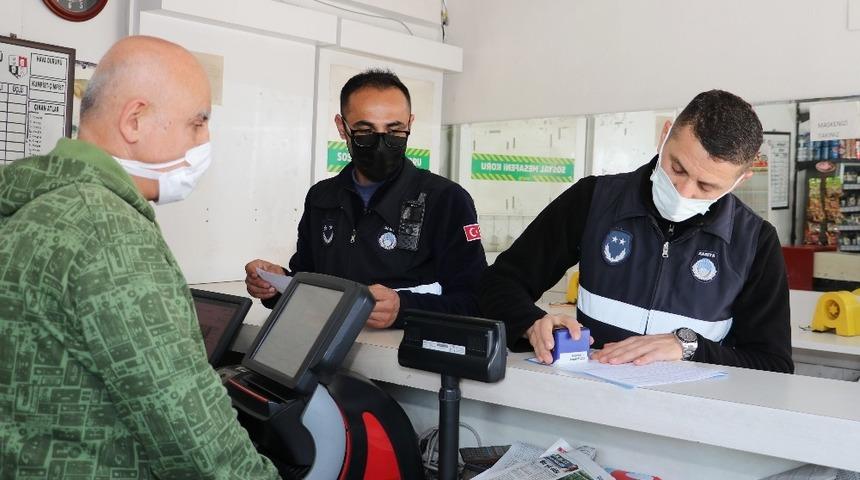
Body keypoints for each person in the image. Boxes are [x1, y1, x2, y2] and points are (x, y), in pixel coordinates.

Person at [0, 36, 280, 479]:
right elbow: (188, 428)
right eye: (197, 122)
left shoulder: (35, 205)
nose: (205, 140)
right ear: (135, 120)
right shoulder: (106, 230)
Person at [479, 90, 793, 373]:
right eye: (677, 168)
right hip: (587, 403)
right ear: (665, 134)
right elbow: (500, 284)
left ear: (742, 179)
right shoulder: (593, 199)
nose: (683, 190)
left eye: (706, 186)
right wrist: (531, 324)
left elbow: (772, 364)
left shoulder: (755, 241)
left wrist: (689, 347)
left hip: (689, 419)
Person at [245, 69, 486, 328]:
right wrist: (278, 283)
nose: (381, 143)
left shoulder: (446, 200)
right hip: (325, 348)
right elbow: (309, 283)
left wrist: (404, 309)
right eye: (365, 131)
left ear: (410, 124)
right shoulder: (322, 197)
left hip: (402, 359)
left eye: (395, 130)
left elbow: (475, 300)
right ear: (342, 127)